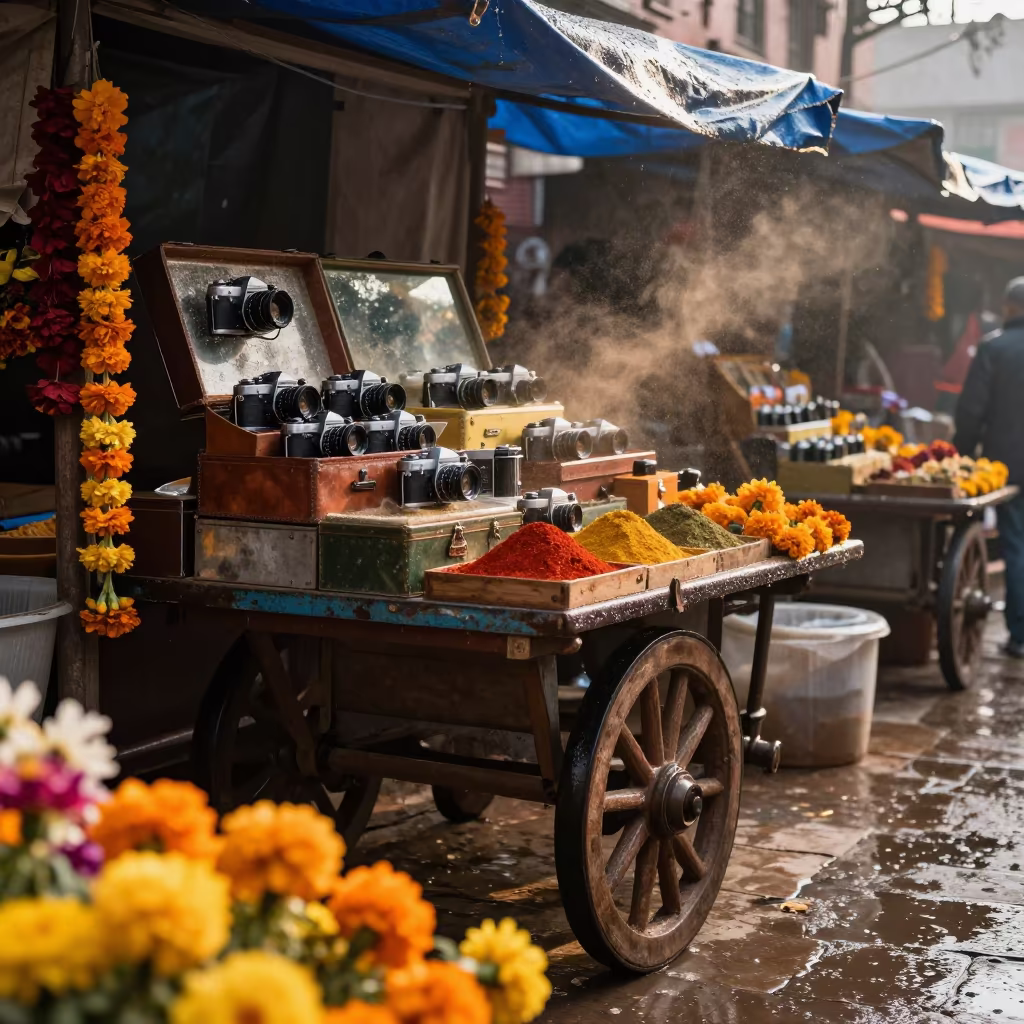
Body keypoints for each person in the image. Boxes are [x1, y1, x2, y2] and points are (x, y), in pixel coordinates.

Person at [954, 277, 1024, 658]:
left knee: (1016, 546)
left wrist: (961, 457)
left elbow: (971, 412)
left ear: (1009, 307)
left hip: (1008, 465)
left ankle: (1020, 636)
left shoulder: (994, 348)